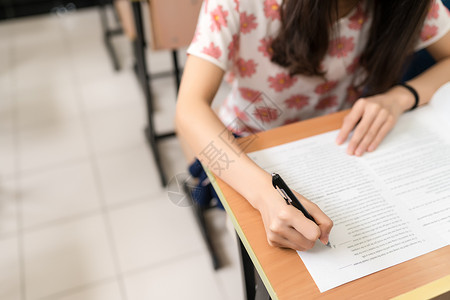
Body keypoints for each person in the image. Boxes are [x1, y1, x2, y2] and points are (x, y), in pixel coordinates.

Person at [175, 0, 450, 251]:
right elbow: (189, 108)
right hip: (247, 143)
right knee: (271, 247)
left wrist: (401, 96)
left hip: (336, 139)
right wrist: (263, 194)